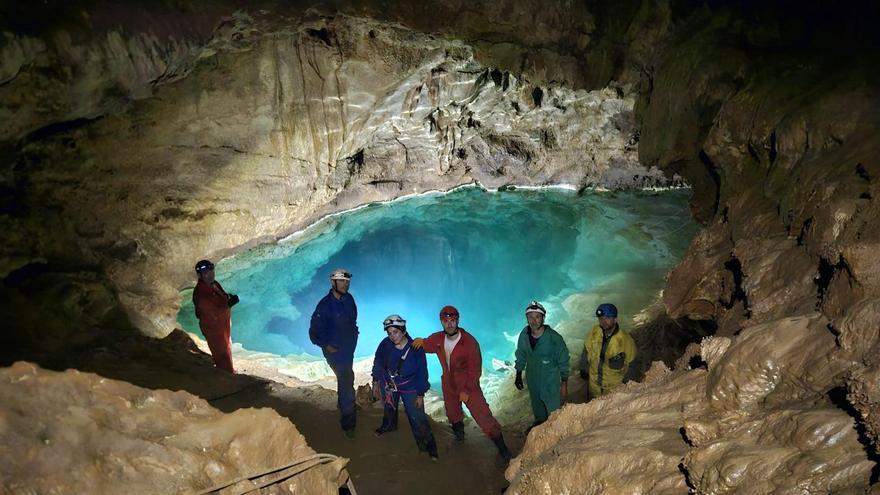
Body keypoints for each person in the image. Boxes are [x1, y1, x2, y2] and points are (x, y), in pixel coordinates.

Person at [411, 305, 513, 461]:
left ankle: (503, 449)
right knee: (452, 413)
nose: (450, 324)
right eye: (446, 321)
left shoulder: (469, 342)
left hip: (468, 385)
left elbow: (475, 370)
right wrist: (419, 342)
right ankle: (460, 437)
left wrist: (466, 389)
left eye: (453, 320)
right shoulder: (438, 338)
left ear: (457, 320)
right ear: (441, 321)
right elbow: (426, 345)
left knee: (483, 416)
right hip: (448, 383)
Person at [372, 314, 439, 460]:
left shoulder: (415, 348)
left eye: (395, 332)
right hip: (389, 382)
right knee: (389, 407)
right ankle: (389, 425)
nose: (392, 336)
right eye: (389, 333)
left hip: (410, 386)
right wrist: (376, 382)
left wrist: (420, 394)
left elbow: (422, 372)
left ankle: (428, 447)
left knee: (417, 417)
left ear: (403, 330)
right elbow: (378, 362)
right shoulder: (385, 344)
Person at [309, 268, 359, 438]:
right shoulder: (324, 306)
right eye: (342, 281)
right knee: (346, 380)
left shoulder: (349, 300)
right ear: (333, 282)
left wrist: (354, 337)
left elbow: (353, 319)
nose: (346, 284)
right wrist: (326, 345)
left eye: (347, 281)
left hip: (348, 348)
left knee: (345, 378)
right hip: (335, 352)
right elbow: (313, 333)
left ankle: (343, 404)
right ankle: (348, 421)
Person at [514, 301, 570, 429]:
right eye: (530, 317)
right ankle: (540, 424)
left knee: (553, 409)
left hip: (550, 381)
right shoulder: (524, 334)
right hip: (532, 379)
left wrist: (564, 384)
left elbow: (564, 361)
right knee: (537, 406)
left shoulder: (554, 338)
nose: (534, 321)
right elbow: (521, 354)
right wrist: (518, 374)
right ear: (527, 318)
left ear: (543, 318)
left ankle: (554, 431)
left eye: (537, 317)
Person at [579, 303, 638, 400]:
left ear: (615, 319)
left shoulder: (624, 340)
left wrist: (626, 387)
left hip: (614, 392)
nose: (603, 321)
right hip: (594, 389)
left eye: (607, 318)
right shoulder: (595, 332)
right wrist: (583, 367)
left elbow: (632, 365)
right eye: (601, 318)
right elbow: (586, 349)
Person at [192, 259, 238, 373]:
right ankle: (226, 376)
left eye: (212, 270)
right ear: (200, 275)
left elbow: (222, 295)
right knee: (221, 353)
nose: (211, 274)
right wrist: (229, 304)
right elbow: (212, 314)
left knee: (227, 348)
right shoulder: (201, 295)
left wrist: (228, 297)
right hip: (213, 329)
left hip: (222, 325)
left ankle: (229, 370)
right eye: (207, 272)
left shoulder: (214, 284)